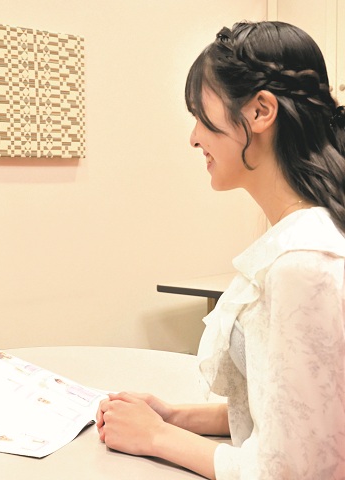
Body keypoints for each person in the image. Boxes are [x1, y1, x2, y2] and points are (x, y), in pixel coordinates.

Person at [97, 21, 345, 479]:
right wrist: (175, 416)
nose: (194, 137)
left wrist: (157, 437)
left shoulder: (304, 262)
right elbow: (297, 417)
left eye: (200, 115)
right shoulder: (309, 235)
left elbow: (292, 470)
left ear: (260, 111)